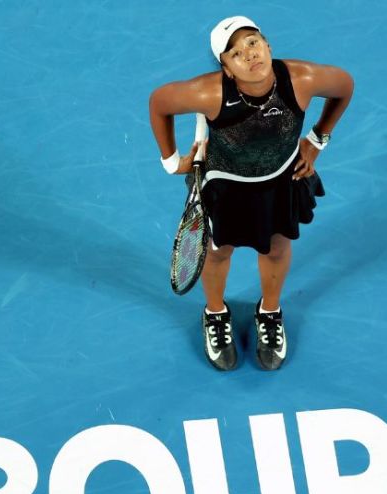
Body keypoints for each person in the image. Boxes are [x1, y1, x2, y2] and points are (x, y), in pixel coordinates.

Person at [148, 16, 353, 371]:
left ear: (268, 45)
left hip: (280, 180)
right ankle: (214, 313)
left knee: (276, 249)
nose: (249, 54)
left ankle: (269, 312)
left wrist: (318, 140)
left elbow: (344, 87)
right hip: (225, 185)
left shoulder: (302, 80)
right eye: (235, 52)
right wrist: (170, 161)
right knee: (217, 253)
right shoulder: (208, 93)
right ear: (226, 68)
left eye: (254, 42)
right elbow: (159, 102)